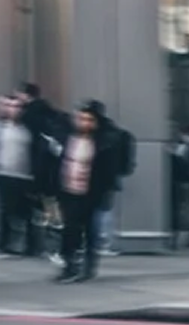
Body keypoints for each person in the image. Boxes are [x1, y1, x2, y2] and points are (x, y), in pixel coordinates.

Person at [52, 101, 132, 283]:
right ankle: (70, 265)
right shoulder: (67, 138)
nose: (84, 123)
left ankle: (87, 266)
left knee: (90, 231)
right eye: (81, 119)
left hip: (92, 192)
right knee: (69, 229)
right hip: (68, 189)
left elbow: (111, 170)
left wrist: (105, 190)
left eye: (89, 120)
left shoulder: (104, 143)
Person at [0, 81, 33, 257]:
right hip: (3, 172)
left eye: (16, 107)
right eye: (9, 106)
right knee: (6, 210)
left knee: (24, 211)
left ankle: (27, 245)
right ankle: (5, 244)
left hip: (24, 174)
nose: (12, 110)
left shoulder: (27, 129)